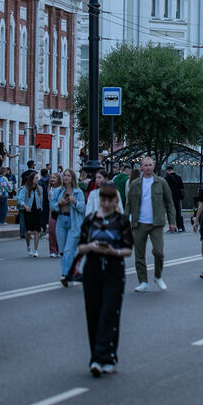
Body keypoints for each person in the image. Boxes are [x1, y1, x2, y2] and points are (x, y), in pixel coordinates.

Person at [77, 182, 134, 376]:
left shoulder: (121, 221)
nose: (107, 204)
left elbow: (128, 249)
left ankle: (106, 357)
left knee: (109, 313)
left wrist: (113, 251)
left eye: (110, 200)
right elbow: (81, 246)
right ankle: (97, 357)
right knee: (93, 314)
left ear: (115, 200)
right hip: (92, 269)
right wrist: (91, 247)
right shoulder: (90, 220)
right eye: (104, 200)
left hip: (113, 269)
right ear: (99, 200)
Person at [127, 157, 177, 292]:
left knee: (158, 252)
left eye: (150, 165)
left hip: (156, 223)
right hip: (139, 223)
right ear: (141, 167)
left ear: (153, 167)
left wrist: (172, 222)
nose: (148, 168)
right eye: (145, 165)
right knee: (139, 254)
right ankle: (143, 282)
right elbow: (129, 204)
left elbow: (170, 203)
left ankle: (158, 276)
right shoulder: (135, 184)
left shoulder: (161, 182)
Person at [51, 169, 85, 286]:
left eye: (68, 176)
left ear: (73, 178)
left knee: (68, 250)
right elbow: (52, 206)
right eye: (64, 175)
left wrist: (74, 202)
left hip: (73, 221)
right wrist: (59, 204)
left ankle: (65, 275)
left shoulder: (78, 192)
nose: (66, 178)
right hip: (61, 221)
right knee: (62, 251)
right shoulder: (58, 191)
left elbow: (83, 208)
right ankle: (68, 273)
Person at [16, 171, 45, 257]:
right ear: (31, 179)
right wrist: (25, 207)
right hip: (28, 211)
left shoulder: (40, 189)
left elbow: (41, 200)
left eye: (37, 178)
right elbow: (20, 200)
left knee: (36, 231)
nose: (37, 179)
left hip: (37, 211)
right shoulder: (25, 188)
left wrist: (41, 209)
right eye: (36, 178)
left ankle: (35, 250)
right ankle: (28, 246)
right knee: (28, 232)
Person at [164, 165, 186, 232]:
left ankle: (172, 226)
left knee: (170, 212)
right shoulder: (178, 177)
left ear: (167, 170)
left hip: (170, 198)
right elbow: (182, 188)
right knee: (178, 212)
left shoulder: (166, 178)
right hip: (178, 197)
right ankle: (180, 226)